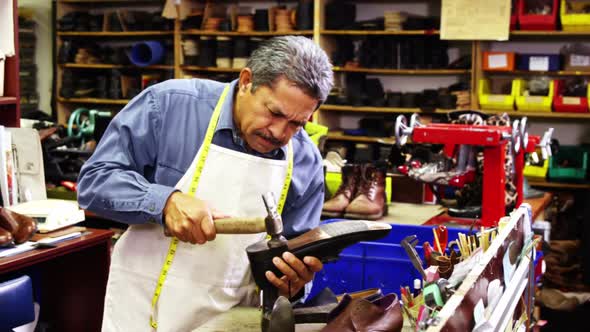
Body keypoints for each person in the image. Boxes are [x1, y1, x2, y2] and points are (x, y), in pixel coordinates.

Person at [77, 35, 334, 331]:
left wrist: (293, 280)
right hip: (141, 310)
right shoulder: (169, 106)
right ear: (247, 80)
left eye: (296, 123)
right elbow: (94, 181)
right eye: (274, 112)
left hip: (232, 321)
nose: (279, 132)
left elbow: (290, 263)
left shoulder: (306, 162)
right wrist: (164, 202)